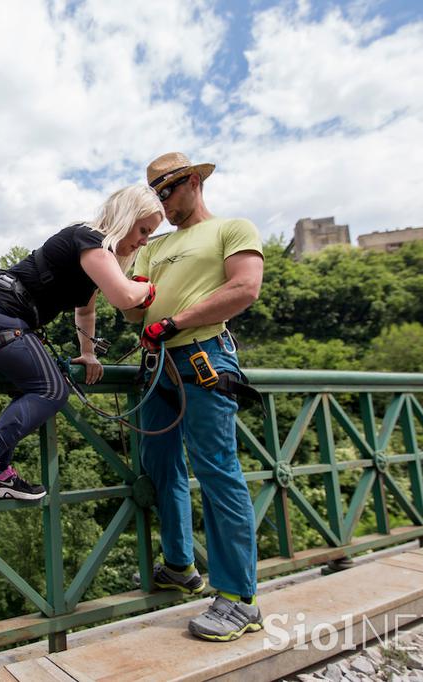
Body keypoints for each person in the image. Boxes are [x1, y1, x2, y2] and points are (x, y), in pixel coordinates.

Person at [0, 185, 163, 521]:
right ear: (126, 218)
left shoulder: (92, 257)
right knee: (51, 389)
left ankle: (0, 471)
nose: (144, 241)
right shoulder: (90, 239)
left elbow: (86, 311)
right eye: (143, 230)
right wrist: (152, 287)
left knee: (32, 387)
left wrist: (88, 353)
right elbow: (123, 296)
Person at [122, 152, 265, 642]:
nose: (161, 204)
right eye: (154, 196)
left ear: (191, 183)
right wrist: (130, 294)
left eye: (166, 191)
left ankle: (239, 597)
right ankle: (181, 564)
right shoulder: (151, 246)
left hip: (203, 359)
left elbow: (245, 287)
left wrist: (176, 321)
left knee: (217, 470)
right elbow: (134, 315)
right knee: (160, 464)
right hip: (155, 363)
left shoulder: (231, 229)